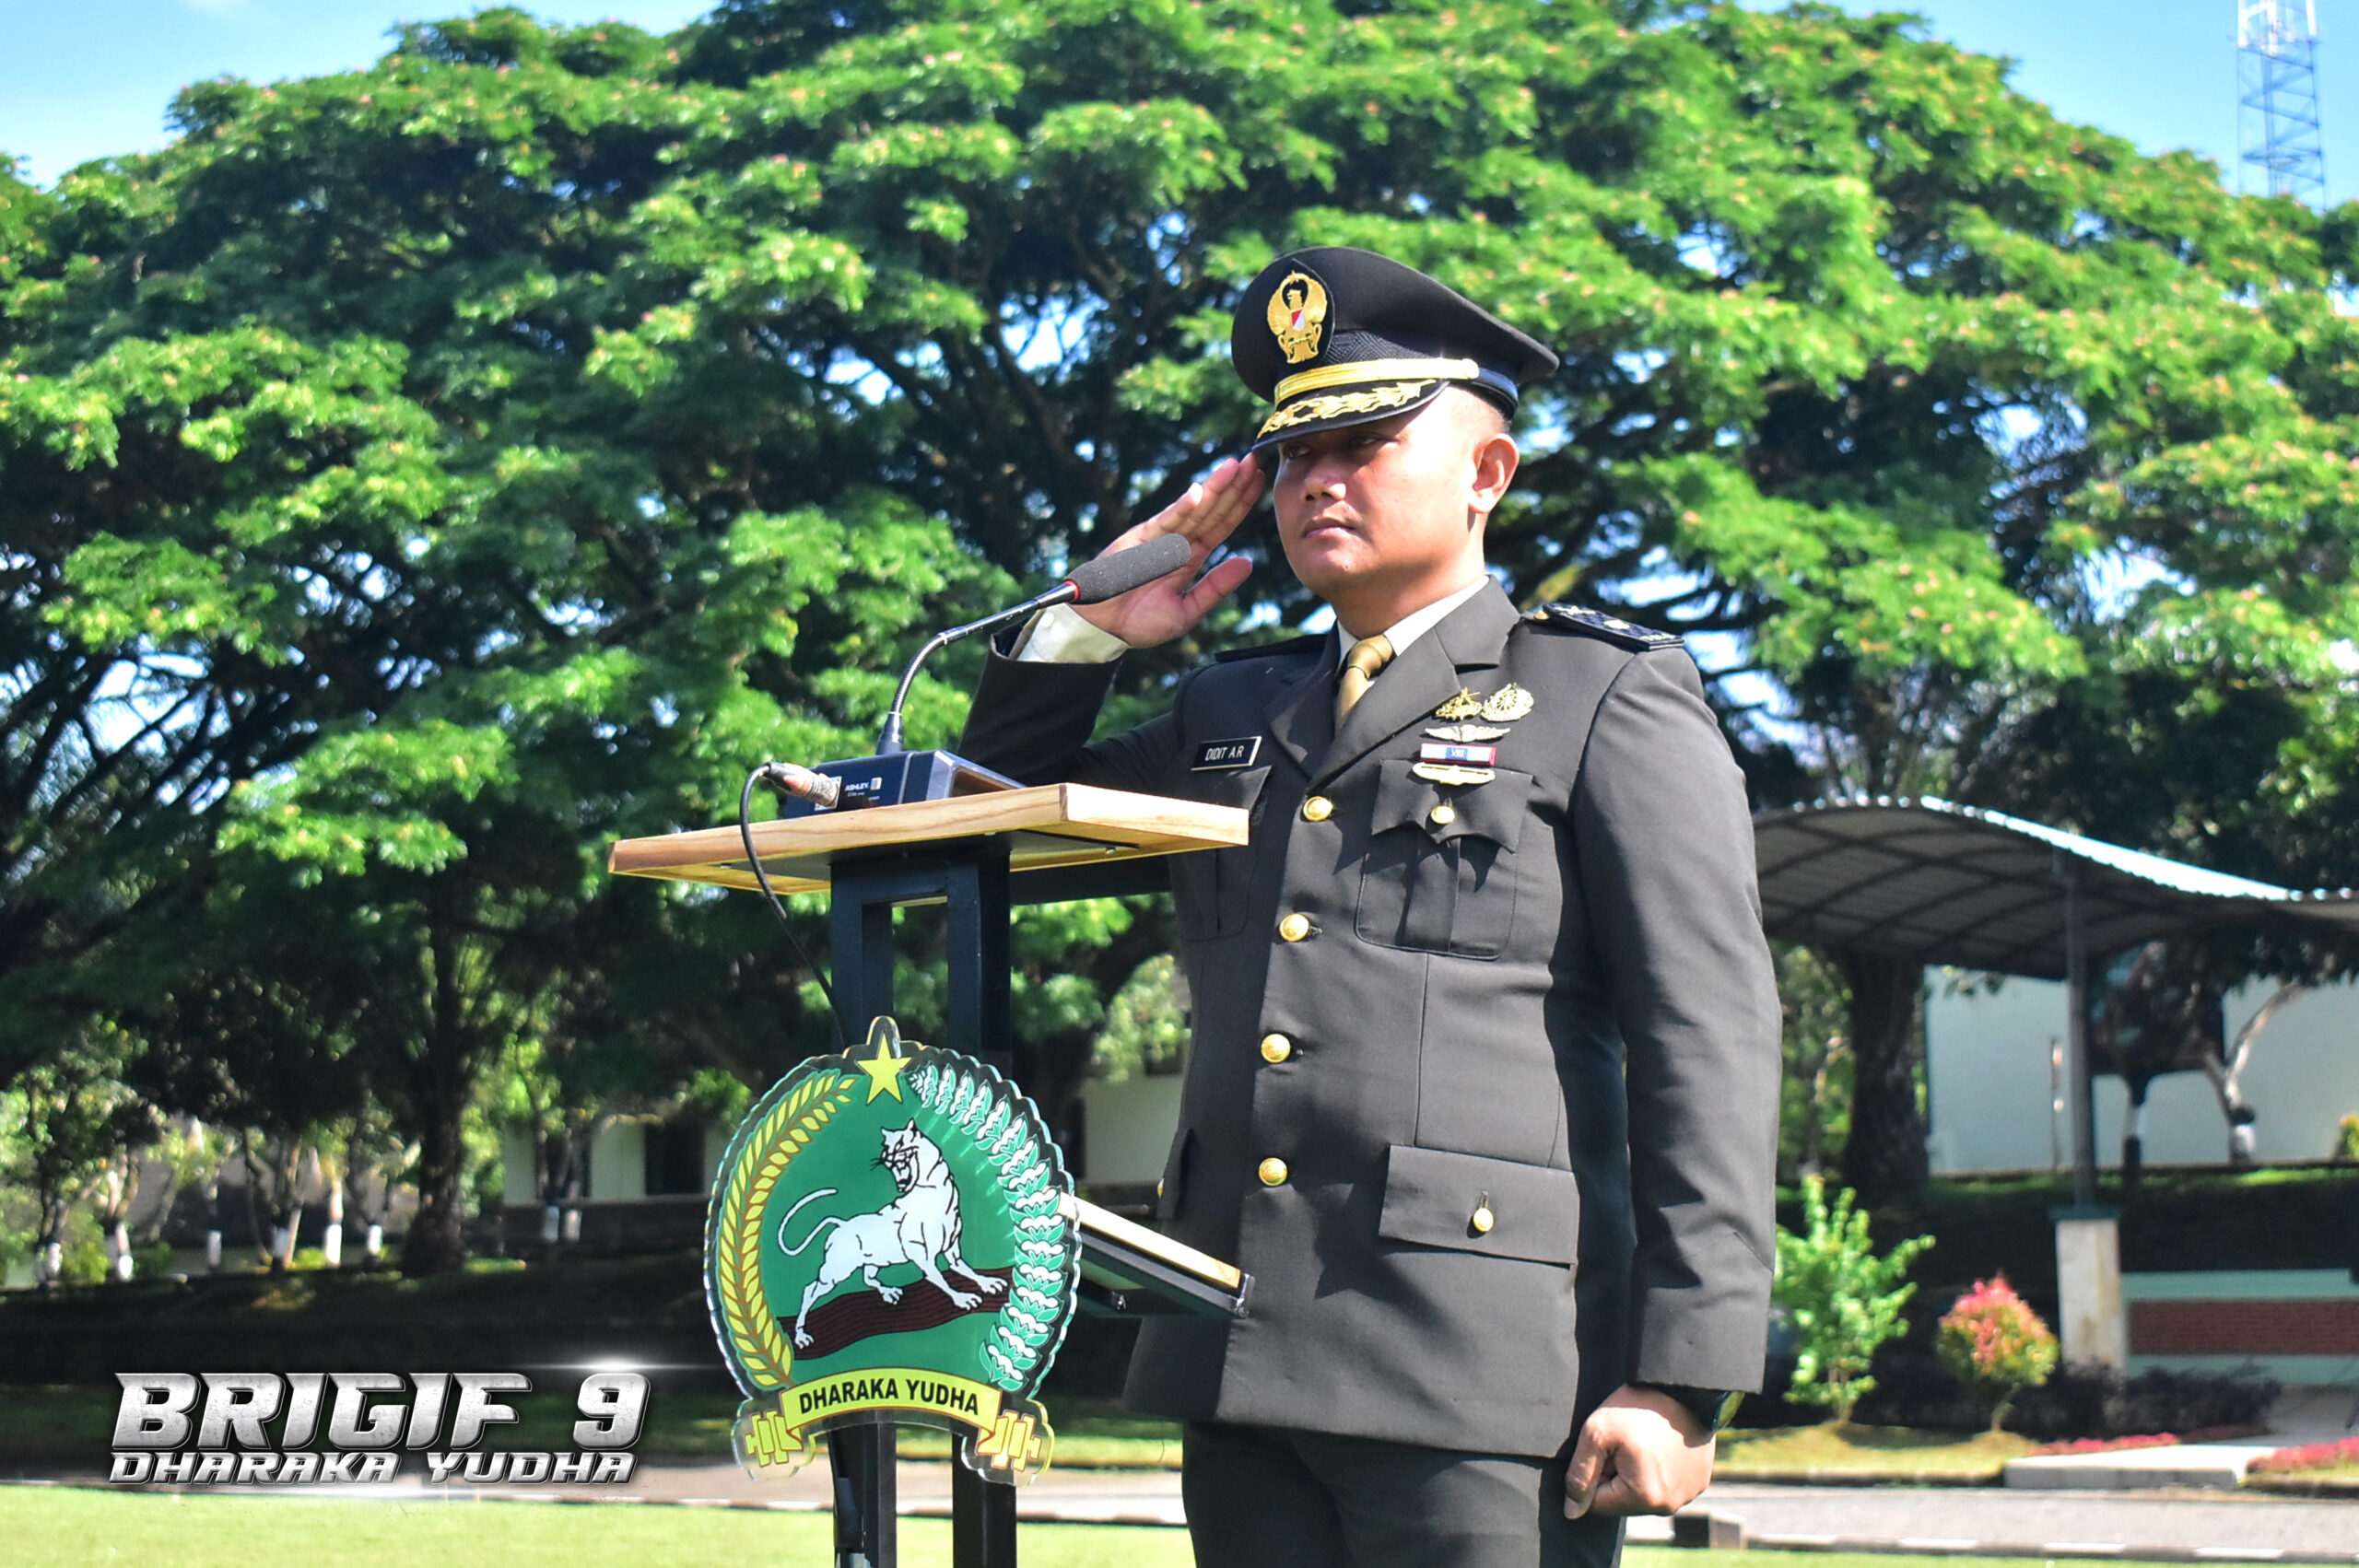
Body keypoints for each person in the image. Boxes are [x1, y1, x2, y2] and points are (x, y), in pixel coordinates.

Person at [958, 246, 1780, 1567]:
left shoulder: (1600, 695)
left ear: (1486, 473)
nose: (1315, 480)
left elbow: (1710, 1043)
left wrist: (1683, 1372)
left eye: (1364, 442)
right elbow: (991, 798)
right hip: (1235, 1355)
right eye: (1292, 455)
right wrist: (1090, 621)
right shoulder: (1235, 707)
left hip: (1474, 1374)